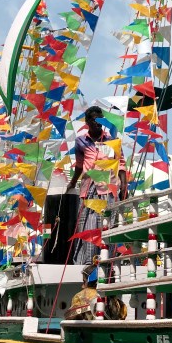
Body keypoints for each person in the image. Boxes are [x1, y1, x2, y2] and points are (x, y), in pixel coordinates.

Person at [66, 105, 128, 266]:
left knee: (108, 228)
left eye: (100, 120)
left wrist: (124, 188)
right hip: (88, 190)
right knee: (88, 229)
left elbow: (121, 165)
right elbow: (79, 165)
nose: (97, 123)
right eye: (94, 120)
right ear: (87, 122)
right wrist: (72, 183)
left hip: (109, 189)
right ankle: (88, 265)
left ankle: (109, 266)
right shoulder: (80, 141)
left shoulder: (112, 140)